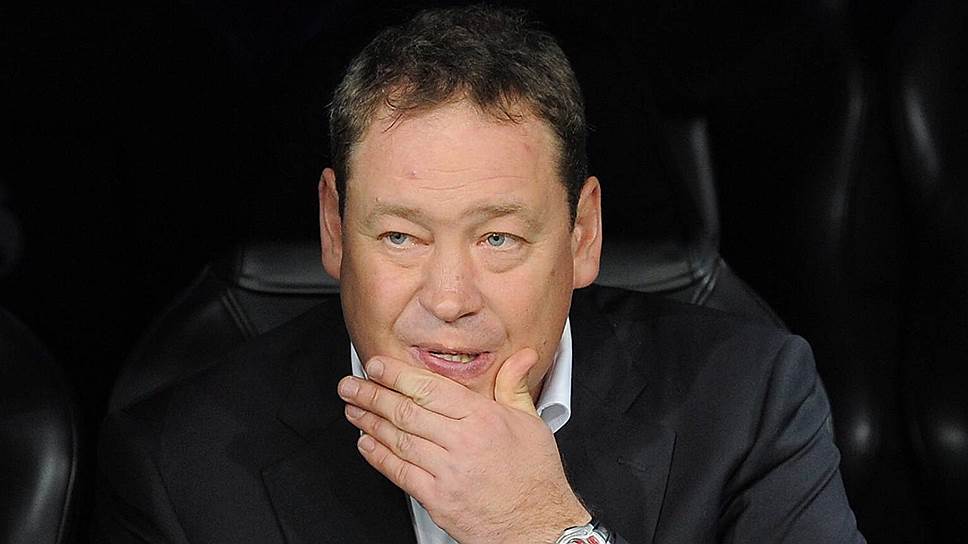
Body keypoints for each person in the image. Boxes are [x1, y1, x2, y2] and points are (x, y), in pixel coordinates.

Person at [96, 5, 865, 543]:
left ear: (583, 234)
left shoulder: (750, 398)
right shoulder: (177, 463)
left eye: (498, 238)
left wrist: (541, 529)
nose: (449, 299)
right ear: (334, 228)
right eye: (401, 236)